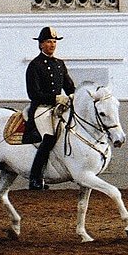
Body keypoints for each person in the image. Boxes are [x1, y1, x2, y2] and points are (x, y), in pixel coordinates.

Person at [25, 27, 75, 190]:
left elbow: (69, 86)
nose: (52, 45)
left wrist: (73, 95)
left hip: (58, 108)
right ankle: (35, 178)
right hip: (41, 108)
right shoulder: (35, 65)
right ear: (41, 45)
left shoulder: (59, 64)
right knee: (49, 138)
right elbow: (34, 93)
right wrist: (55, 98)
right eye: (48, 42)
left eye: (54, 42)